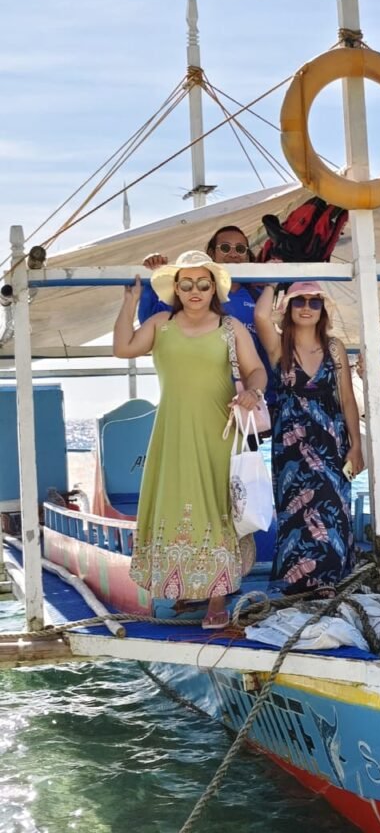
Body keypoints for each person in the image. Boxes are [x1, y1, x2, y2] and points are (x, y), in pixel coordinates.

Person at [113, 250, 268, 628]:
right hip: (172, 431)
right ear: (176, 289)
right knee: (179, 505)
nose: (195, 291)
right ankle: (181, 586)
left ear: (213, 287)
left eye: (203, 284)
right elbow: (122, 348)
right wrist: (129, 303)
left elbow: (257, 370)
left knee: (218, 510)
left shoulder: (231, 327)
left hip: (220, 432)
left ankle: (217, 597)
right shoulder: (160, 323)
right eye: (187, 284)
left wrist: (253, 393)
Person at [253, 281, 364, 594]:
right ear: (287, 307)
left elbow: (347, 399)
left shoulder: (334, 347)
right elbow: (261, 316)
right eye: (298, 301)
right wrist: (273, 281)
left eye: (314, 302)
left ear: (322, 309)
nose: (306, 307)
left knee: (334, 511)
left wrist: (356, 445)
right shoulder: (279, 346)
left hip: (331, 442)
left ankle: (332, 583)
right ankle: (297, 587)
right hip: (291, 448)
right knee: (296, 517)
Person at [139, 226, 274, 410]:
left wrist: (261, 393)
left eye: (240, 249)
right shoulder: (194, 297)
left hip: (248, 403)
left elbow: (271, 349)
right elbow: (149, 323)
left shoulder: (258, 296)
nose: (234, 254)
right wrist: (151, 277)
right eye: (225, 248)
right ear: (211, 253)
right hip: (200, 399)